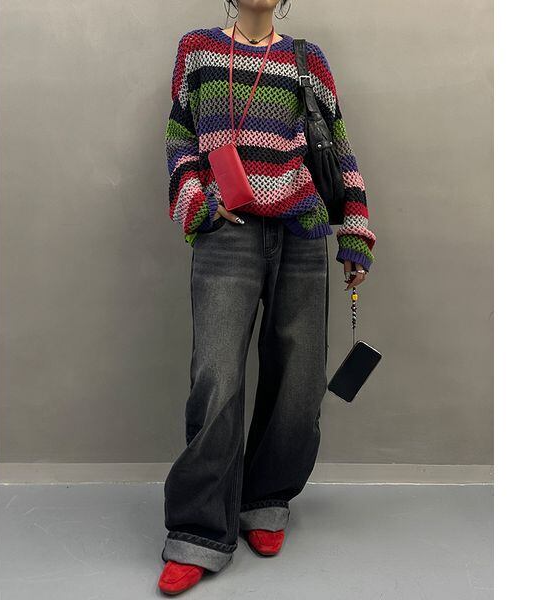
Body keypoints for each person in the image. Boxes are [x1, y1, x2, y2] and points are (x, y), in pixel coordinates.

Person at [159, 0, 376, 594]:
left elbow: (338, 148)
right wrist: (198, 203)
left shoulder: (308, 59)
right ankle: (198, 532)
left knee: (299, 379)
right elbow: (179, 139)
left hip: (302, 232)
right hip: (227, 235)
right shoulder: (198, 50)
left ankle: (266, 499)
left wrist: (355, 230)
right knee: (217, 377)